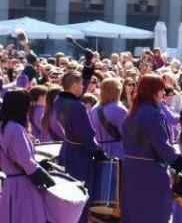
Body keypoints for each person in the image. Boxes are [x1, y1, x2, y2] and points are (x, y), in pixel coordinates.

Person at [121, 74, 182, 223]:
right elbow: (161, 145)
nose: (163, 93)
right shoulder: (152, 113)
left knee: (134, 214)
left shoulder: (132, 112)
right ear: (152, 91)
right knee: (153, 214)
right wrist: (179, 162)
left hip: (131, 170)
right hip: (149, 171)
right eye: (161, 89)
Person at [55, 70, 106, 221]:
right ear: (74, 85)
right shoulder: (78, 107)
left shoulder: (58, 101)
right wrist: (98, 152)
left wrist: (87, 70)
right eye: (81, 84)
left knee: (67, 195)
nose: (83, 87)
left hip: (66, 151)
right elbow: (87, 135)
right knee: (81, 196)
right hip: (79, 155)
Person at [0, 90, 55, 223]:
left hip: (10, 184)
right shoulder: (16, 129)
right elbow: (25, 160)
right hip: (23, 186)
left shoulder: (3, 127)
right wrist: (46, 178)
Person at [90, 77, 128, 159]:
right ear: (117, 91)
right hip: (118, 153)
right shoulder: (119, 109)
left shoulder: (94, 109)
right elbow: (127, 134)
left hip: (99, 153)